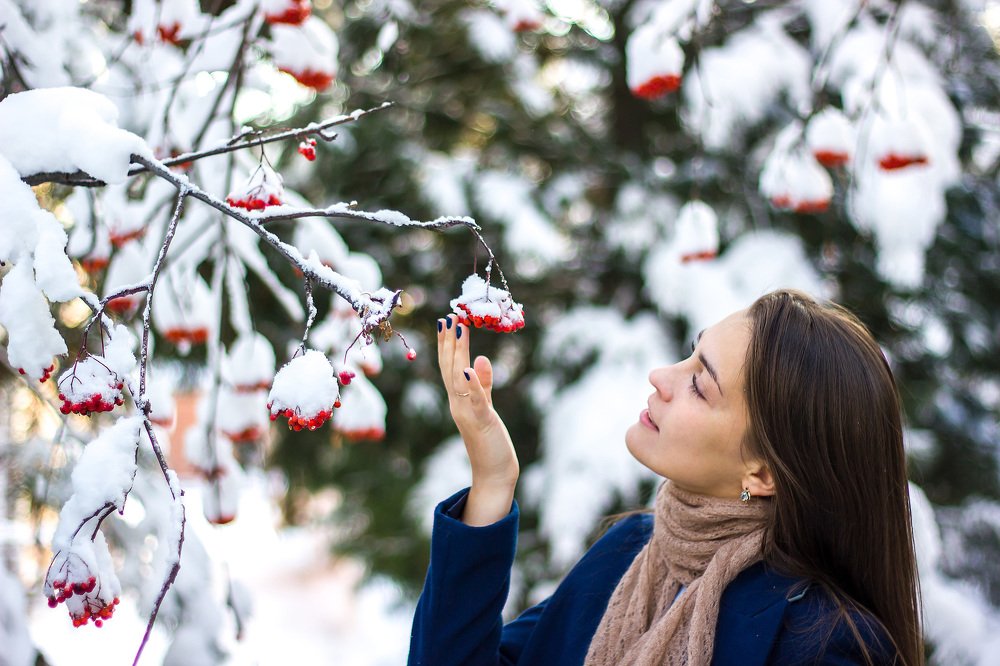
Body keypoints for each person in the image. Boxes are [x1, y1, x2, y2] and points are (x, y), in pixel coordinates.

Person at [408, 289, 923, 666]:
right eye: (691, 354)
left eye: (701, 384)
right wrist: (493, 484)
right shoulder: (627, 552)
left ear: (762, 472)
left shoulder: (818, 644)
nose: (662, 376)